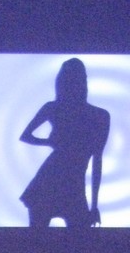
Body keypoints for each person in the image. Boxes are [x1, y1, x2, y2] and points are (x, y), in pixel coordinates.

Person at [19, 57, 110, 228]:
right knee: (39, 238)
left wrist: (94, 206)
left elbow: (97, 161)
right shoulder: (98, 115)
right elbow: (25, 136)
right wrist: (50, 142)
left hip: (68, 186)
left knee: (40, 238)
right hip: (52, 184)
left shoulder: (97, 115)